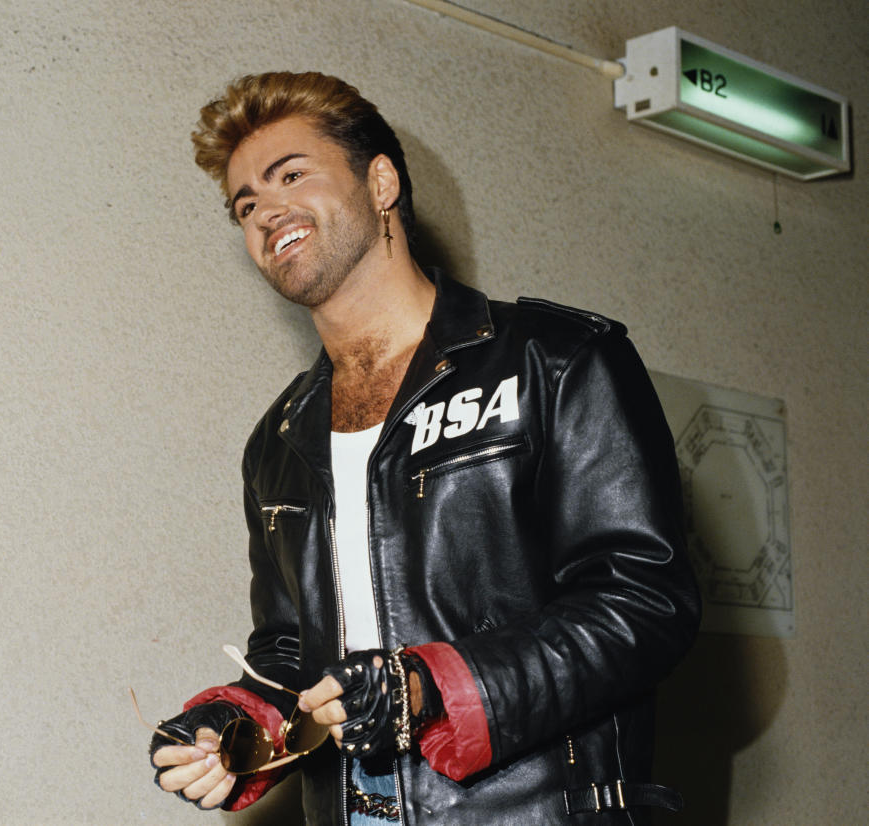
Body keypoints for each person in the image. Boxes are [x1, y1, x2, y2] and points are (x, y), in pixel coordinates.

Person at [147, 71, 701, 825]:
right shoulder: (279, 440)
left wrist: (432, 688)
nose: (265, 211)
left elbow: (644, 601)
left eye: (291, 176)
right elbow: (289, 650)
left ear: (381, 184)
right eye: (244, 204)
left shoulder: (557, 360)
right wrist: (238, 725)